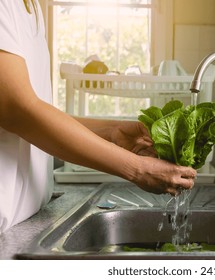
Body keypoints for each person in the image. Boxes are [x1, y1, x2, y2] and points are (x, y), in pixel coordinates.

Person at [0, 0, 196, 234]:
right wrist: (137, 169)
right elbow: (17, 111)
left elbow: (37, 114)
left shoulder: (30, 7)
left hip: (23, 224)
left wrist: (111, 132)